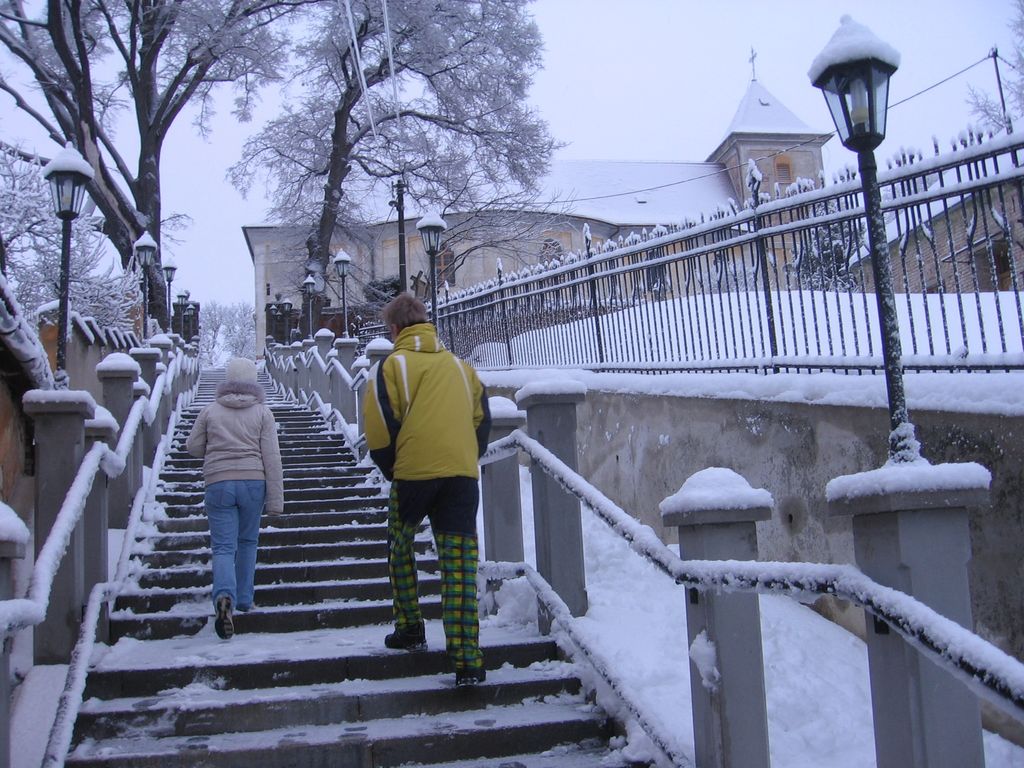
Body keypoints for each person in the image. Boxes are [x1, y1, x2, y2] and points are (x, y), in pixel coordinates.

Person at [363, 293, 492, 686]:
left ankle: (410, 627)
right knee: (459, 564)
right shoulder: (461, 367)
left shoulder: (391, 366)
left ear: (394, 328)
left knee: (399, 547)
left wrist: (395, 469)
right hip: (461, 477)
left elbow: (379, 426)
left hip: (412, 476)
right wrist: (466, 458)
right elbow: (482, 419)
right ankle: (467, 660)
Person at [186, 357, 283, 640]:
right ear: (253, 381)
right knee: (248, 542)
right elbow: (272, 458)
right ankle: (244, 599)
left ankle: (223, 596)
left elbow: (193, 447)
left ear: (227, 380)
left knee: (223, 547)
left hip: (219, 482)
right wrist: (276, 500)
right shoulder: (263, 413)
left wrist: (213, 445)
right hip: (254, 482)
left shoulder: (210, 410)